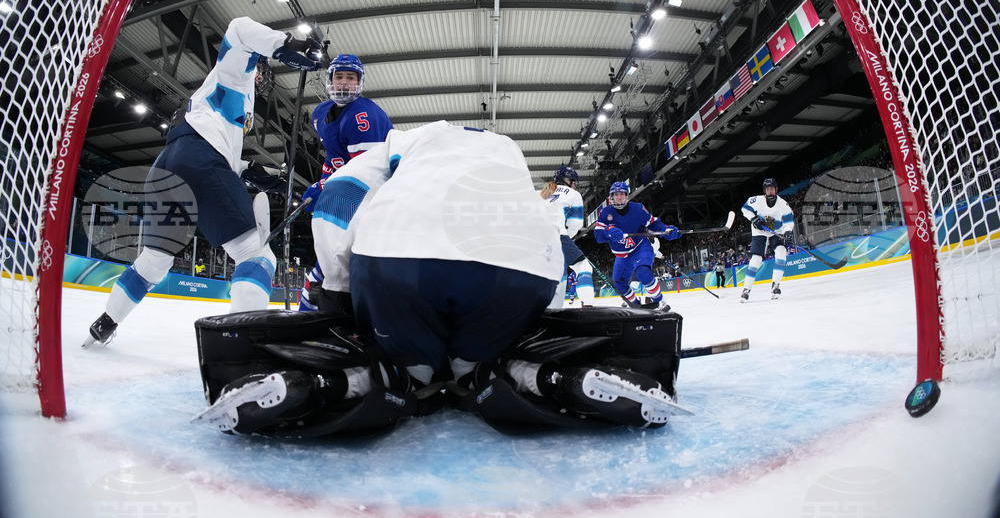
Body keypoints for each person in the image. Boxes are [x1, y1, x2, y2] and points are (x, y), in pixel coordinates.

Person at [192, 123, 687, 436]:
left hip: (402, 254)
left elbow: (336, 201)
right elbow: (548, 246)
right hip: (520, 265)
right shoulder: (507, 152)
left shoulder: (399, 143)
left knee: (407, 375)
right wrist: (541, 323)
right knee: (485, 367)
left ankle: (314, 384)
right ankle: (564, 378)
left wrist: (339, 293)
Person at [83, 17, 322, 347]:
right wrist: (286, 44)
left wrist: (259, 176)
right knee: (256, 257)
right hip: (198, 160)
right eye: (263, 68)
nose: (262, 74)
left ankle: (106, 323)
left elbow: (218, 150)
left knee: (154, 262)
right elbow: (238, 28)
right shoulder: (235, 76)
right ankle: (244, 345)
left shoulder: (221, 103)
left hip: (168, 167)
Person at [297, 54, 393, 311]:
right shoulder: (320, 113)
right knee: (330, 258)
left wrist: (325, 189)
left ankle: (326, 312)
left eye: (351, 78)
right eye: (339, 76)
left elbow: (365, 174)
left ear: (360, 83)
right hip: (346, 192)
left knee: (342, 259)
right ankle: (316, 312)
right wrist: (324, 181)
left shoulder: (365, 117)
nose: (344, 82)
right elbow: (335, 159)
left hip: (375, 197)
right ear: (329, 80)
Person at [593, 181, 680, 309]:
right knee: (619, 283)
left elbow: (653, 224)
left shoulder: (638, 209)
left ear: (627, 195)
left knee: (643, 273)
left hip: (640, 247)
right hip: (621, 255)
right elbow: (598, 236)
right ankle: (635, 304)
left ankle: (661, 301)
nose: (618, 197)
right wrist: (608, 231)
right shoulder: (605, 213)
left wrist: (666, 231)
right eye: (615, 194)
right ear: (611, 197)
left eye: (621, 194)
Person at [539, 165, 595, 307]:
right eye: (572, 180)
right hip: (556, 235)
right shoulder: (573, 194)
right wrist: (567, 237)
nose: (574, 184)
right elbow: (575, 224)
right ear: (564, 179)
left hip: (533, 238)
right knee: (583, 267)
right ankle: (587, 305)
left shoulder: (544, 191)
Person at [740, 177, 794, 302]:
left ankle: (776, 285)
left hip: (776, 231)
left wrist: (788, 232)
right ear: (765, 191)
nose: (770, 191)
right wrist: (753, 219)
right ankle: (746, 289)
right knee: (756, 259)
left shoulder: (783, 204)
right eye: (767, 189)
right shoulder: (757, 201)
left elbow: (788, 221)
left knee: (781, 252)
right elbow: (745, 209)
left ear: (776, 190)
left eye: (772, 189)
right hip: (760, 231)